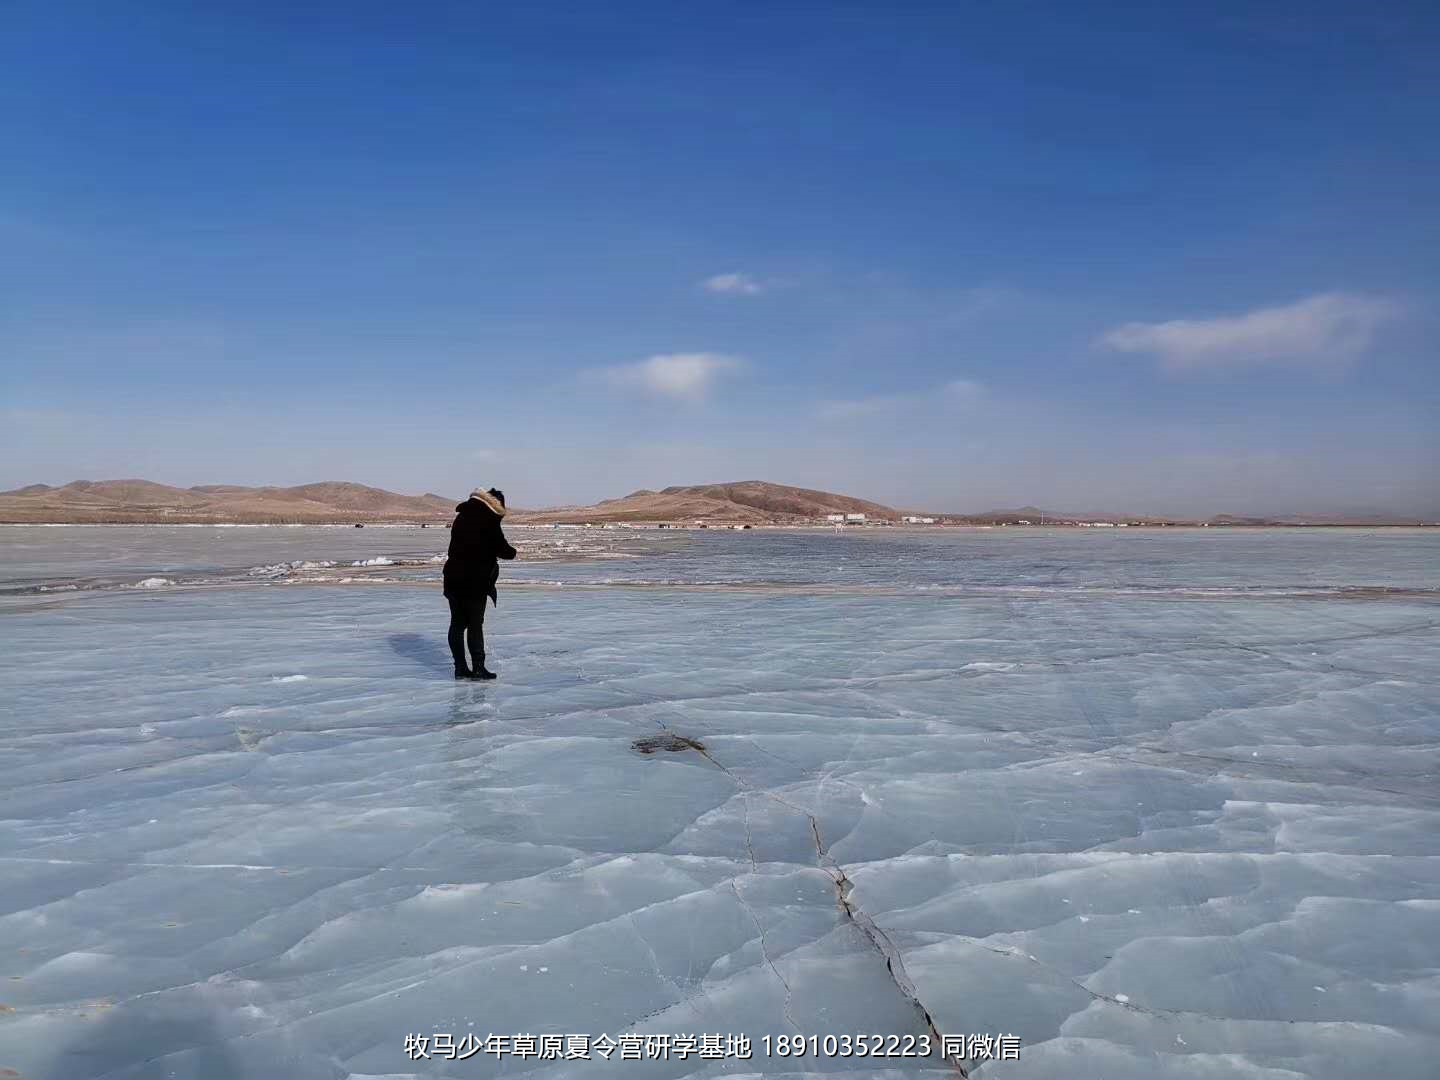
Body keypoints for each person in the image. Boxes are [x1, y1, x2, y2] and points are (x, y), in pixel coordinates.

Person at [443, 487, 516, 679]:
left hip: (453, 578)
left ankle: (460, 668)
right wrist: (513, 552)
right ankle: (478, 667)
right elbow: (503, 550)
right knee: (475, 624)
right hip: (475, 581)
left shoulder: (462, 515)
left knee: (457, 624)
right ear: (497, 505)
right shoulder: (489, 519)